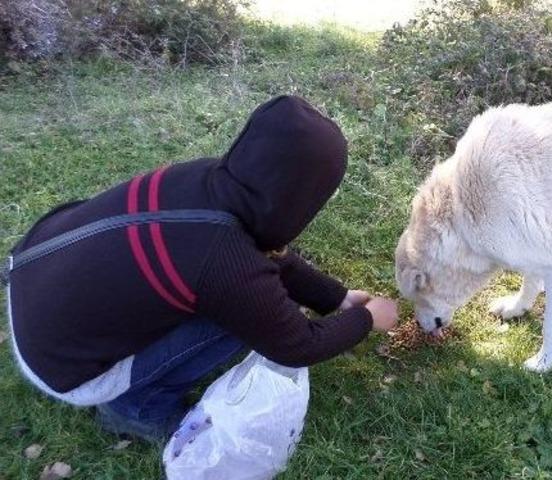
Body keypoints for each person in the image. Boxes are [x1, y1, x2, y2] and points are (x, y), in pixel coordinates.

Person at [3, 95, 399, 441]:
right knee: (241, 318)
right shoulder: (223, 258)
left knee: (223, 290)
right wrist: (365, 319)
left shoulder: (208, 178)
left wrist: (338, 298)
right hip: (65, 368)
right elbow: (296, 344)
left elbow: (268, 253)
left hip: (33, 279)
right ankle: (135, 408)